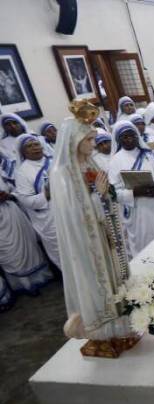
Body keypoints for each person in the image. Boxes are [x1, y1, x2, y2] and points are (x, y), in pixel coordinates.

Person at [48, 101, 134, 340]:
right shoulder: (62, 174)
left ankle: (121, 319)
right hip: (85, 242)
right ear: (74, 141)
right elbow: (73, 216)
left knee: (113, 277)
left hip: (103, 234)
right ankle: (103, 329)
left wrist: (105, 195)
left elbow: (107, 196)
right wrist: (98, 196)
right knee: (96, 282)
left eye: (94, 138)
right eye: (88, 140)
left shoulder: (89, 163)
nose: (93, 144)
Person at [108, 121, 154, 255]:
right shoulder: (115, 161)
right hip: (140, 211)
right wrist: (135, 192)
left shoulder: (149, 155)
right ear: (119, 139)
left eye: (132, 135)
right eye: (125, 136)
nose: (129, 139)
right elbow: (114, 192)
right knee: (151, 248)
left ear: (137, 136)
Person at [0, 165, 53, 311]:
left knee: (27, 245)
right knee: (10, 253)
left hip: (11, 212)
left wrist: (9, 195)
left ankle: (41, 278)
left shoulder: (2, 169)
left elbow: (14, 187)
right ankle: (24, 286)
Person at [14, 134, 61, 268]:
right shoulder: (22, 172)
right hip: (50, 220)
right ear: (23, 152)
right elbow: (26, 200)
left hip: (70, 211)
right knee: (64, 256)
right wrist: (46, 194)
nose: (35, 148)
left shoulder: (55, 160)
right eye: (29, 146)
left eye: (36, 144)